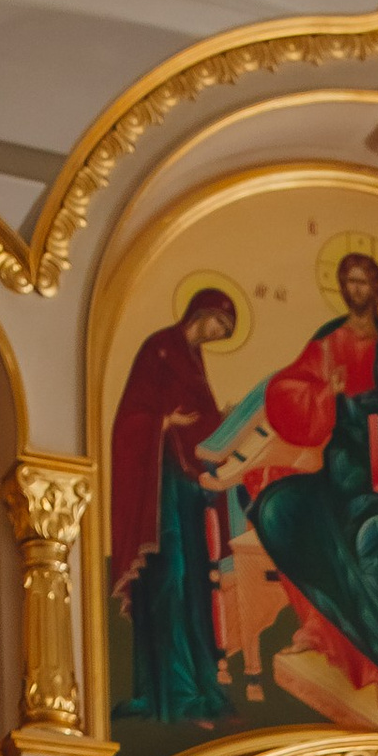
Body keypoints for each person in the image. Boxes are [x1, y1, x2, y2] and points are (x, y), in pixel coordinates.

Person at [226, 252, 378, 723]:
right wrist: (328, 393)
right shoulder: (329, 343)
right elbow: (287, 394)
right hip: (344, 475)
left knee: (373, 538)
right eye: (350, 282)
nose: (357, 290)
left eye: (365, 282)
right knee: (278, 509)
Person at [108, 287, 240, 726]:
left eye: (224, 332)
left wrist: (220, 419)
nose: (217, 334)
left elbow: (196, 423)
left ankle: (197, 687)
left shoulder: (193, 359)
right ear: (201, 311)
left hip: (186, 488)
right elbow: (131, 417)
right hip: (158, 486)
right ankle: (171, 694)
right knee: (170, 579)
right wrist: (164, 422)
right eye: (218, 325)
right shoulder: (160, 348)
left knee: (194, 585)